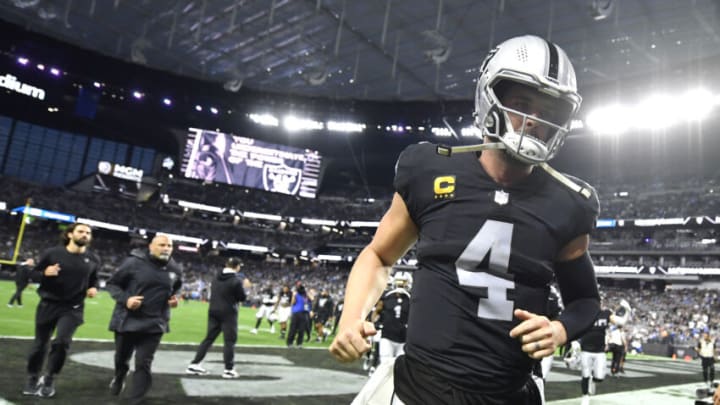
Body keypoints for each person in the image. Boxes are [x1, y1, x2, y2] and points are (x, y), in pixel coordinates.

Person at [329, 34, 601, 405]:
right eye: (522, 104)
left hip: (510, 393)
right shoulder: (428, 168)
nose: (534, 121)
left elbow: (585, 300)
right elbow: (379, 256)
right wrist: (349, 320)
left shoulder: (570, 202)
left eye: (549, 113)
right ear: (491, 98)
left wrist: (559, 329)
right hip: (419, 390)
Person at [23, 223, 100, 398]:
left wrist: (93, 288)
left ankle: (49, 378)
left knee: (62, 342)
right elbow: (33, 274)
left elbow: (94, 280)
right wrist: (44, 274)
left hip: (73, 308)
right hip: (49, 305)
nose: (85, 235)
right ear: (70, 234)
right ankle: (33, 377)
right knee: (40, 345)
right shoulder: (53, 253)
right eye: (81, 231)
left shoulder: (94, 259)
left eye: (88, 233)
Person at [106, 234, 182, 403]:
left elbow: (175, 289)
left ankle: (135, 400)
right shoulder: (133, 262)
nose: (166, 248)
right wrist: (126, 300)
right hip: (128, 320)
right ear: (151, 246)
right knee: (121, 358)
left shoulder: (175, 269)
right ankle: (120, 376)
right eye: (162, 245)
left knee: (143, 363)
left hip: (155, 324)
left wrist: (173, 300)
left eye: (169, 246)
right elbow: (112, 284)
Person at [187, 257, 251, 378]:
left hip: (213, 310)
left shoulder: (216, 277)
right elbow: (242, 298)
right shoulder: (236, 280)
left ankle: (194, 364)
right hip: (228, 313)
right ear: (237, 266)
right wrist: (246, 288)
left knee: (208, 339)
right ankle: (228, 369)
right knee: (229, 341)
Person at [286, 284, 310, 348]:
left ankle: (299, 343)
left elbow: (311, 299)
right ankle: (290, 342)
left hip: (303, 313)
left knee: (301, 329)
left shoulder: (305, 296)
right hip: (296, 313)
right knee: (293, 329)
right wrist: (294, 295)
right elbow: (293, 303)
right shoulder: (297, 295)